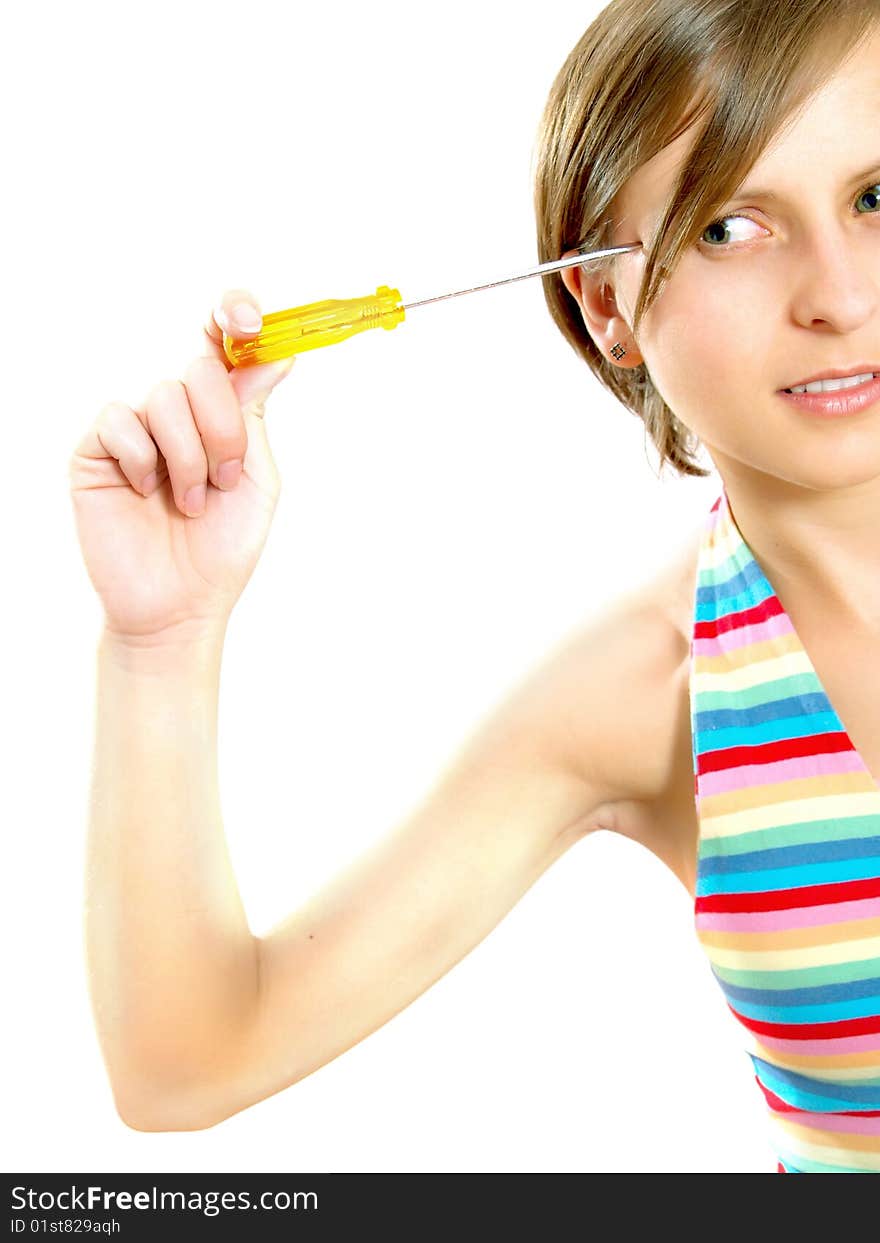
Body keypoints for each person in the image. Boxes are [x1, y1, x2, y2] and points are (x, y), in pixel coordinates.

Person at [68, 0, 880, 1173]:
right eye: (728, 227)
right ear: (606, 305)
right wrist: (161, 642)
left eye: (876, 197)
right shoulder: (646, 692)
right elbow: (187, 1062)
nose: (839, 298)